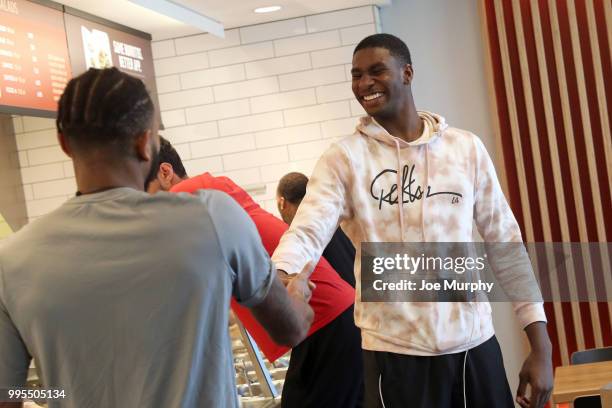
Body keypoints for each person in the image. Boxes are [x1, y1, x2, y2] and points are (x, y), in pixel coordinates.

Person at [0, 67, 314, 408]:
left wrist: (59, 393)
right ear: (145, 143)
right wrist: (297, 294)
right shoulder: (212, 217)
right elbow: (290, 329)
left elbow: (8, 396)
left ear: (64, 144)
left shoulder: (12, 258)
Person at [271, 34, 554, 408]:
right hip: (395, 357)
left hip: (474, 347)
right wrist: (283, 275)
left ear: (407, 73)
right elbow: (307, 230)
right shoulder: (344, 159)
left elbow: (505, 243)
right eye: (356, 75)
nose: (364, 83)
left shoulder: (464, 149)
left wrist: (541, 345)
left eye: (376, 71)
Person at [147, 138, 363, 408]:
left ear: (166, 172)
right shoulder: (202, 203)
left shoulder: (194, 193)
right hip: (327, 322)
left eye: (145, 192)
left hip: (327, 323)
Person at [277, 172, 357, 288]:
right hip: (368, 294)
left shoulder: (300, 240)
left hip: (346, 301)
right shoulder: (334, 219)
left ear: (282, 203)